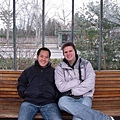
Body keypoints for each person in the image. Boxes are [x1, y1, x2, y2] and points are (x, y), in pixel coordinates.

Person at [55, 41, 114, 120]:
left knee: (78, 118)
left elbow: (90, 83)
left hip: (85, 96)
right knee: (61, 102)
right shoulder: (60, 68)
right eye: (66, 52)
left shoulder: (86, 64)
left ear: (75, 51)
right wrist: (77, 81)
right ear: (63, 54)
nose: (68, 53)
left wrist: (72, 91)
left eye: (70, 51)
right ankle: (104, 118)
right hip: (68, 98)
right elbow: (61, 87)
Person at [17, 47, 62, 120]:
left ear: (49, 58)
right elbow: (21, 84)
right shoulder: (28, 71)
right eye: (41, 56)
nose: (43, 59)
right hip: (30, 102)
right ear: (37, 56)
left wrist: (54, 95)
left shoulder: (54, 72)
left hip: (49, 103)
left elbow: (59, 87)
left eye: (46, 57)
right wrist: (25, 92)